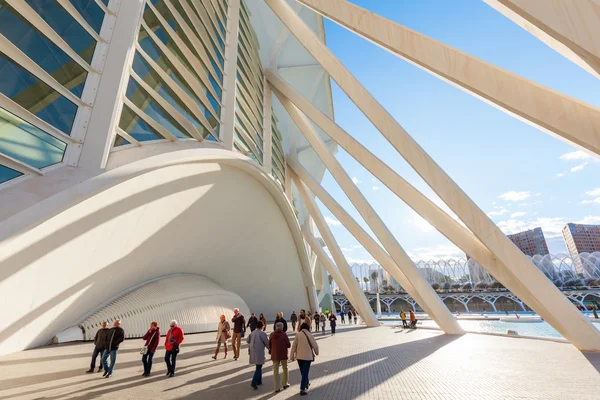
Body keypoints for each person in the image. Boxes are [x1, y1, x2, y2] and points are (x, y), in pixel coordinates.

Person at [290, 322, 319, 396]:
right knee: (305, 372)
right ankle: (302, 389)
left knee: (303, 372)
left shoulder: (298, 334)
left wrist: (292, 356)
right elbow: (315, 345)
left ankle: (306, 383)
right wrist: (317, 352)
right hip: (307, 357)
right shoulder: (309, 334)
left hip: (299, 357)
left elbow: (293, 346)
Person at [269, 321, 291, 392]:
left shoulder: (272, 335)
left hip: (275, 355)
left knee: (276, 371)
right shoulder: (284, 334)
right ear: (282, 327)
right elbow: (288, 345)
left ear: (275, 327)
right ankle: (285, 383)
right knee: (285, 368)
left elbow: (269, 345)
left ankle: (276, 387)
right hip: (283, 354)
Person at [247, 321, 269, 390]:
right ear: (262, 326)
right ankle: (254, 382)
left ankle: (259, 381)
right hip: (259, 352)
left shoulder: (252, 332)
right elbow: (267, 343)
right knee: (259, 367)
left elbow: (248, 340)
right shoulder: (262, 333)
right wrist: (270, 349)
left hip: (253, 351)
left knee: (258, 366)